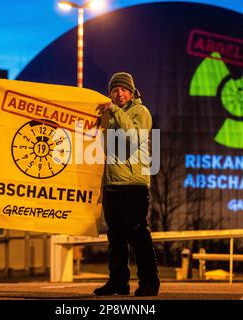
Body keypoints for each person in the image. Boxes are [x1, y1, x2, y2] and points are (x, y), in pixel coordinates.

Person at [94, 72, 160, 296]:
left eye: (123, 89)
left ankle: (149, 283)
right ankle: (118, 282)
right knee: (115, 237)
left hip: (134, 184)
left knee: (138, 235)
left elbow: (133, 138)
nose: (119, 94)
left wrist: (114, 111)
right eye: (114, 90)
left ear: (132, 92)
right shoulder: (109, 115)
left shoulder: (140, 112)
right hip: (112, 183)